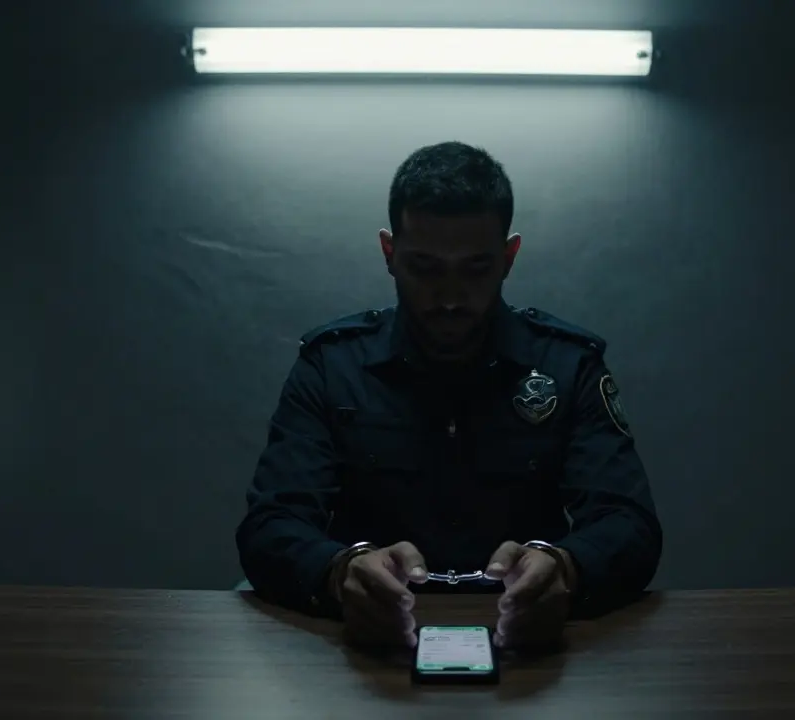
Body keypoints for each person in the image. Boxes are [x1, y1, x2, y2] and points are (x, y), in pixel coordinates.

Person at [235, 141, 662, 650]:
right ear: (389, 254)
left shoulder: (567, 365)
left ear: (509, 258)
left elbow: (628, 524)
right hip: (367, 641)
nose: (451, 296)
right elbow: (270, 525)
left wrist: (565, 568)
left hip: (527, 638)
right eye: (426, 268)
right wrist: (339, 572)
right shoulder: (332, 365)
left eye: (476, 269)